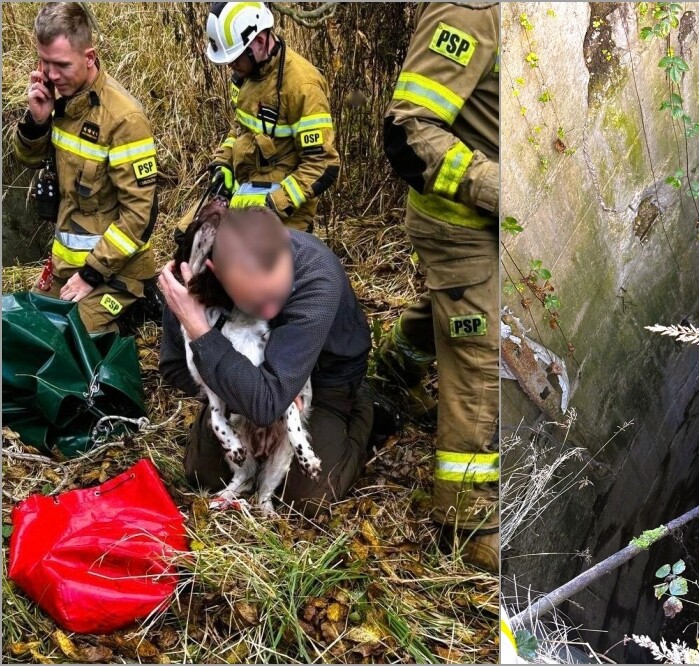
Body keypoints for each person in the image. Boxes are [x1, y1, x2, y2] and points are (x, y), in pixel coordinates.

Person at [381, 2, 500, 571]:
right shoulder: (468, 11)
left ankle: (395, 370)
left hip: (487, 220)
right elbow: (407, 130)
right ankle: (467, 522)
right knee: (479, 358)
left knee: (451, 314)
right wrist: (497, 187)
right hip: (461, 226)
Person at [159, 205, 374, 517]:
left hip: (324, 379)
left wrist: (204, 335)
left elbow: (268, 405)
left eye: (279, 288)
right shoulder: (194, 285)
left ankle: (363, 409)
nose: (272, 305)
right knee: (203, 476)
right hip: (249, 385)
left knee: (305, 501)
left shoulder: (316, 273)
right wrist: (197, 329)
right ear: (218, 272)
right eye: (257, 296)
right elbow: (174, 367)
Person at [13, 2, 158, 334]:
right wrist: (37, 122)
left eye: (61, 65)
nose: (50, 75)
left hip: (116, 273)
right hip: (67, 267)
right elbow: (29, 160)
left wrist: (91, 274)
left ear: (89, 57)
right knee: (25, 332)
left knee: (68, 342)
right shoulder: (60, 99)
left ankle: (138, 307)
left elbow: (139, 214)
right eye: (45, 62)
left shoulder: (123, 119)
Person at [176, 1, 341, 236]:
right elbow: (240, 130)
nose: (230, 65)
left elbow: (321, 163)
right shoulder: (246, 75)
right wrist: (223, 164)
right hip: (244, 188)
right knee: (186, 235)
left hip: (282, 208)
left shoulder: (302, 87)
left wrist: (275, 204)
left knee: (233, 259)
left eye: (235, 57)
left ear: (260, 41)